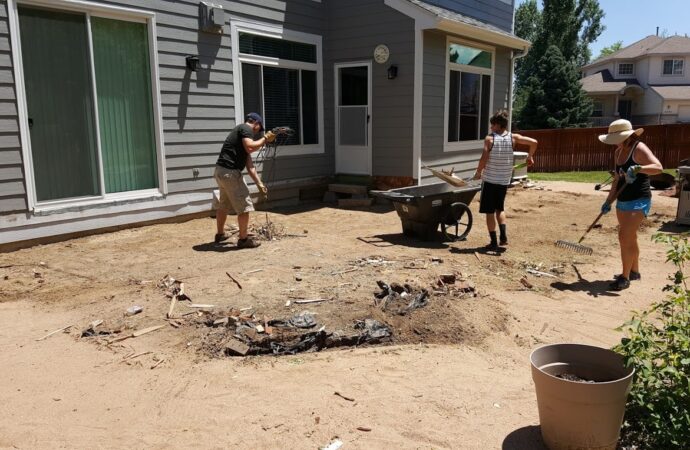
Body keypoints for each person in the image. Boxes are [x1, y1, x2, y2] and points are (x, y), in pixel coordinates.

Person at [599, 119, 663, 290]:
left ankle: (624, 277)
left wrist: (638, 168)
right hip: (623, 200)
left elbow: (658, 167)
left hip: (639, 199)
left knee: (624, 237)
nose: (613, 143)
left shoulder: (639, 148)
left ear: (626, 136)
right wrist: (608, 201)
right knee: (630, 237)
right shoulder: (618, 151)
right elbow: (617, 180)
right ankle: (635, 271)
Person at [473, 110, 538, 251]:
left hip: (490, 180)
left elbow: (484, 158)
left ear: (498, 125)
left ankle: (494, 242)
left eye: (492, 125)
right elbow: (534, 142)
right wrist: (530, 157)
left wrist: (478, 172)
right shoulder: (513, 137)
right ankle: (503, 237)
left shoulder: (490, 139)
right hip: (503, 180)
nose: (491, 128)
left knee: (489, 212)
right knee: (499, 209)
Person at [214, 113, 275, 249]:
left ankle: (220, 234)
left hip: (220, 171)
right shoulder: (246, 128)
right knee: (245, 207)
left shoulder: (239, 136)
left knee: (223, 204)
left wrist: (259, 184)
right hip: (230, 173)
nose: (258, 133)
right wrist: (265, 138)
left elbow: (250, 166)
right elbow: (250, 146)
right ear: (256, 124)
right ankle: (243, 240)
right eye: (259, 130)